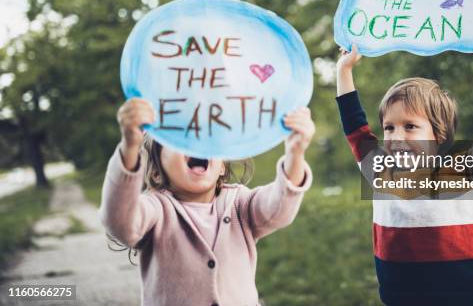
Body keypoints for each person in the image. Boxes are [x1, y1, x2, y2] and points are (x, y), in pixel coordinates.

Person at [335, 39, 473, 305]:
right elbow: (355, 126)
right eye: (389, 127)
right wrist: (344, 70)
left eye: (410, 126)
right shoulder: (380, 168)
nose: (396, 136)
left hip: (457, 297)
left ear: (438, 134)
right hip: (398, 297)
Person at [100, 98, 315, 306]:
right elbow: (121, 221)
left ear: (222, 166)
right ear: (156, 172)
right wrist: (129, 148)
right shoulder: (157, 209)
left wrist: (295, 154)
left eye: (206, 139)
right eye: (181, 140)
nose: (196, 145)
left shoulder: (240, 203)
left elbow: (279, 208)